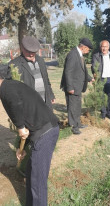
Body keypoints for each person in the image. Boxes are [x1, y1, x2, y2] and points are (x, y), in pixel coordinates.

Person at [0, 74, 59, 206]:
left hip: (45, 132)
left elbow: (16, 105)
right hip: (40, 131)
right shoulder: (9, 87)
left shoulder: (6, 90)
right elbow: (25, 114)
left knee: (38, 181)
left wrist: (20, 127)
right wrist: (22, 148)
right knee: (32, 173)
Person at [7, 36, 55, 109]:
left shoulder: (41, 61)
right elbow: (10, 89)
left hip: (45, 103)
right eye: (28, 51)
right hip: (28, 107)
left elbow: (46, 80)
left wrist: (51, 95)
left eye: (33, 52)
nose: (31, 54)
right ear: (22, 48)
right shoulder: (14, 64)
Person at [60, 38, 94, 135]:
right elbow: (68, 71)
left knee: (77, 106)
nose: (88, 52)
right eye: (88, 50)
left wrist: (90, 78)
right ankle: (73, 126)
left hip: (78, 86)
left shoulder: (79, 55)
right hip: (73, 87)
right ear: (83, 47)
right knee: (72, 107)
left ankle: (78, 123)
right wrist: (69, 87)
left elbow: (82, 71)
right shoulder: (72, 54)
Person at [91, 40, 110, 120]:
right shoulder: (96, 56)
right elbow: (94, 67)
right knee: (101, 97)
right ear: (100, 47)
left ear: (108, 47)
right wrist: (95, 75)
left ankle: (109, 113)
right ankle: (103, 113)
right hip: (100, 79)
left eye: (105, 47)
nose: (104, 48)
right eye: (102, 47)